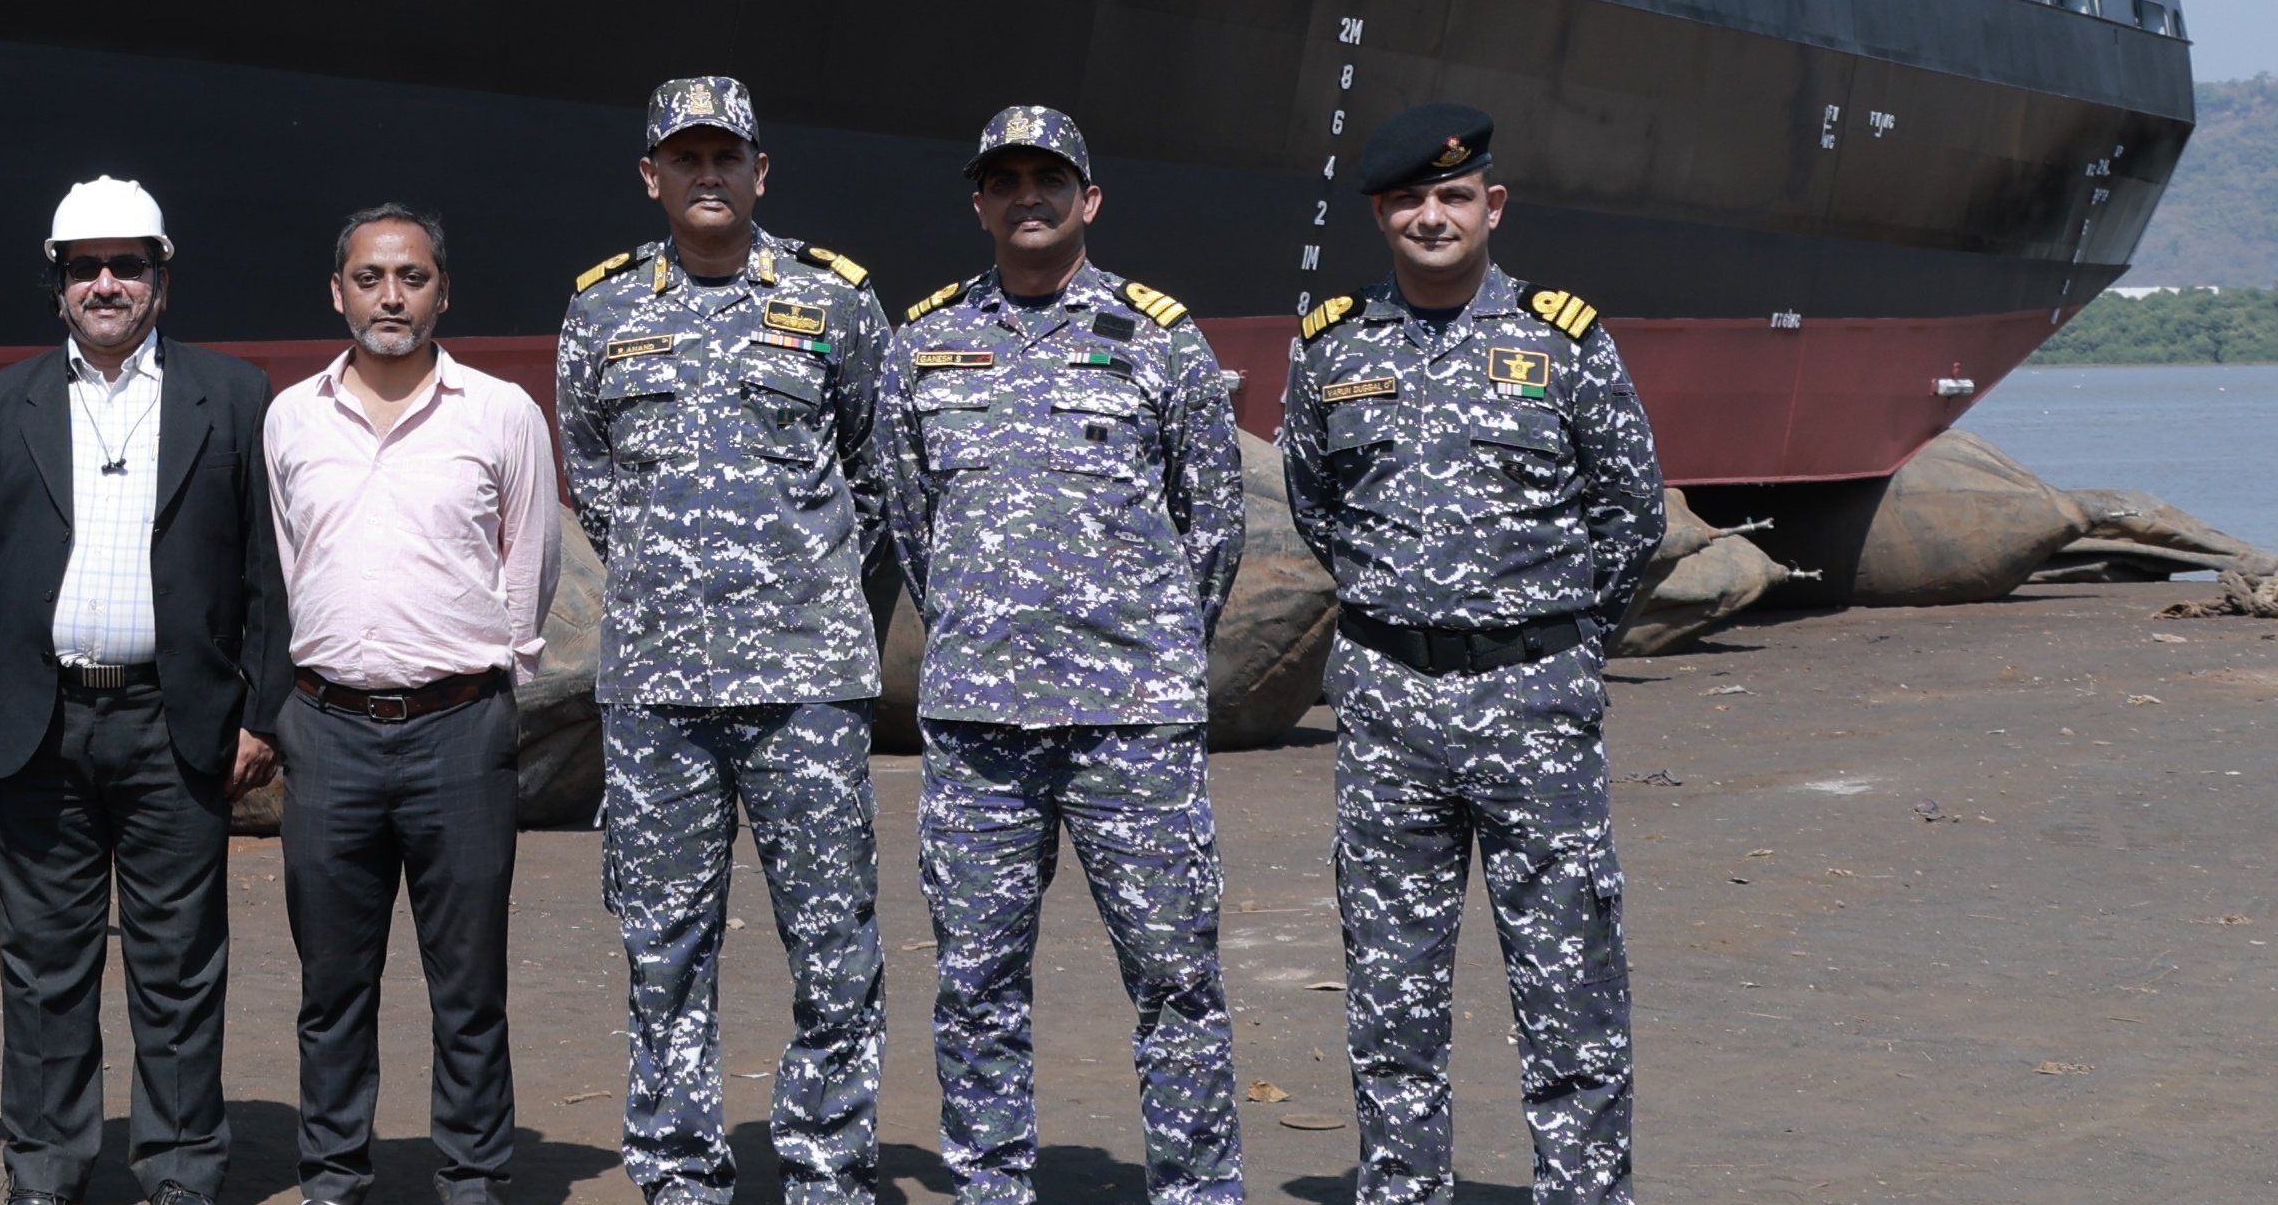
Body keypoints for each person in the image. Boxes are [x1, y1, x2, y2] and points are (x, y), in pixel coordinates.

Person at [1281, 103, 1664, 1205]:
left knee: (1568, 977)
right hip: (1389, 705)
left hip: (1533, 701)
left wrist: (1558, 644)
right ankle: (1403, 1188)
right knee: (1391, 987)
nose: (1432, 215)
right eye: (1410, 198)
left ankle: (1582, 1192)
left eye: (1454, 196)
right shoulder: (1333, 347)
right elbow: (1318, 505)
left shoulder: (1562, 340)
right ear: (1380, 213)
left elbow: (1632, 514)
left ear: (1492, 205)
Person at [877, 103, 1248, 1205]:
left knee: (1176, 974)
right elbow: (911, 524)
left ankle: (1194, 1189)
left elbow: (1214, 527)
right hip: (982, 724)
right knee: (977, 979)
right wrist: (991, 634)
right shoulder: (923, 344)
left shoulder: (1159, 338)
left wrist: (1144, 646)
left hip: (1131, 720)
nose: (1028, 195)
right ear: (980, 201)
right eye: (1007, 179)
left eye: (1051, 178)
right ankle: (993, 1185)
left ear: (1089, 199)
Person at [553, 73, 893, 1205]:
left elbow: (879, 482)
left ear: (761, 172)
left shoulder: (836, 303)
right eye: (684, 158)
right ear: (652, 177)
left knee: (833, 947)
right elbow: (595, 483)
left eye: (726, 156)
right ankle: (678, 1172)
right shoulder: (602, 312)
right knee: (663, 949)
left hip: (805, 682)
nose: (708, 175)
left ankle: (828, 1168)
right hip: (657, 690)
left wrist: (803, 594)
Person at [0, 179, 288, 1205]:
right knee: (44, 966)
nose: (106, 283)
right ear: (59, 288)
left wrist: (264, 711)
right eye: (85, 268)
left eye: (127, 265)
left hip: (179, 726)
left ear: (161, 283)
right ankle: (45, 1169)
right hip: (41, 726)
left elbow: (268, 570)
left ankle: (179, 1171)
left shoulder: (236, 394)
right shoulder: (3, 402)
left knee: (178, 968)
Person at [263, 200, 562, 1205]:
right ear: (336, 289)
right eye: (370, 277)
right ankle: (334, 1178)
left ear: (444, 288)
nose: (391, 296)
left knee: (468, 983)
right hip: (328, 731)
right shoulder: (290, 416)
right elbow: (285, 562)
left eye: (413, 277)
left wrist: (491, 685)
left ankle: (473, 1179)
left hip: (459, 733)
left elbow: (529, 568)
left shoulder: (503, 414)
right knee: (331, 987)